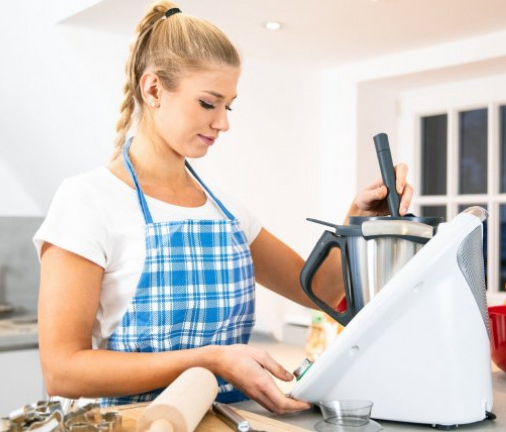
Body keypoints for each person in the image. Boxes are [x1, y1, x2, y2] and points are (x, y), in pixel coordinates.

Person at [33, 1, 413, 414]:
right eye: (208, 103)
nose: (223, 123)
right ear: (154, 89)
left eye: (228, 105)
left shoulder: (228, 214)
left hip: (224, 422)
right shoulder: (88, 201)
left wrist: (358, 219)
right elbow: (63, 370)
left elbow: (320, 290)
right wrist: (210, 360)